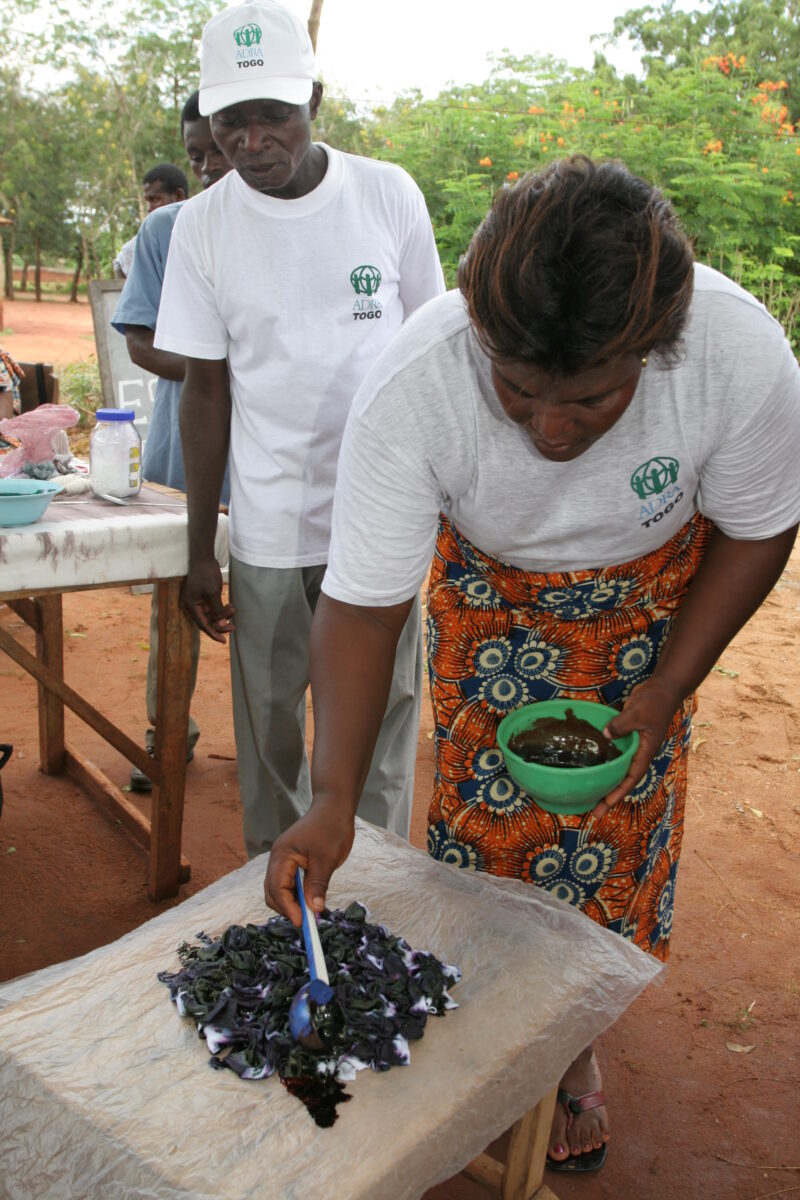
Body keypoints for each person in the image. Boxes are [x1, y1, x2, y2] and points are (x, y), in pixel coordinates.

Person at [263, 156, 800, 1172]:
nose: (551, 430)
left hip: (651, 603)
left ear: (656, 344)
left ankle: (571, 1042)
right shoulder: (412, 386)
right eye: (515, 391)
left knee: (610, 830)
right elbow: (364, 604)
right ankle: (497, 1032)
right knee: (482, 832)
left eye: (592, 401)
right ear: (474, 330)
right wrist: (332, 795)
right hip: (489, 597)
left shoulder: (736, 352)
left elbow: (757, 528)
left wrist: (663, 687)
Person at [154, 0, 445, 854]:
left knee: (382, 723)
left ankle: (373, 886)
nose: (250, 142)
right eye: (229, 122)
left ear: (313, 100)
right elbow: (205, 389)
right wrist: (199, 539)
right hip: (269, 524)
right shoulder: (202, 227)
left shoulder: (387, 196)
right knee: (269, 728)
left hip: (381, 517)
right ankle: (281, 898)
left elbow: (433, 353)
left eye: (271, 116)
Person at [112, 94, 231, 792]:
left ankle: (289, 754)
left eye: (218, 148)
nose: (214, 165)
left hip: (272, 466)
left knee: (274, 609)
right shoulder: (165, 231)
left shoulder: (281, 229)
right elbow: (139, 341)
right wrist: (220, 369)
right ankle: (168, 735)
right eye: (199, 154)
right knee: (181, 601)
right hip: (184, 455)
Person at [113, 163, 190, 279]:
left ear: (179, 196)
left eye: (155, 199)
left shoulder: (199, 230)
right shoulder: (146, 240)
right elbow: (121, 264)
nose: (149, 208)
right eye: (147, 201)